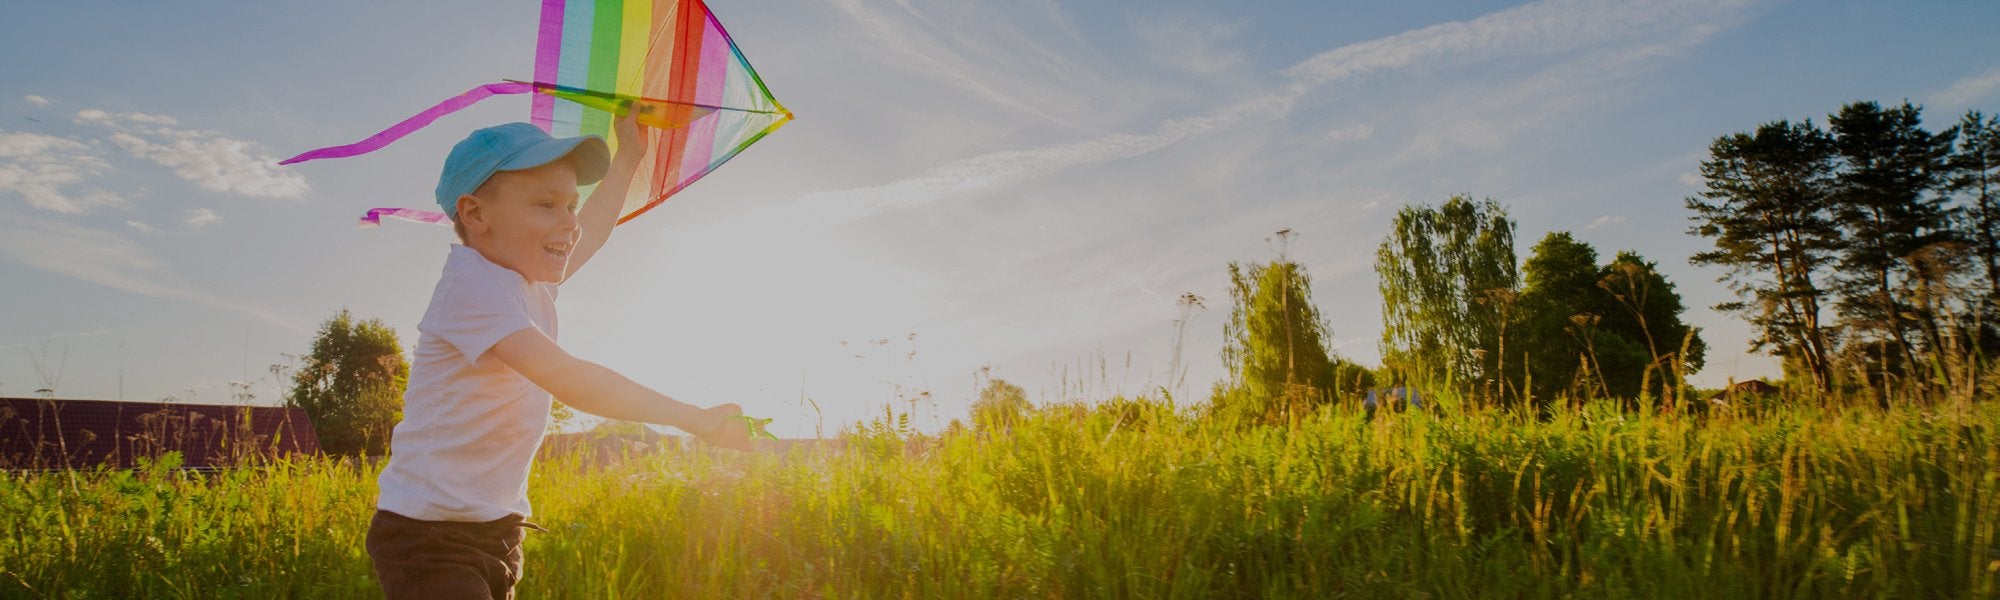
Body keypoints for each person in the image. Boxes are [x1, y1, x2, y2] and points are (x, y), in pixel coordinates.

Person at [365, 115, 754, 599]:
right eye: (547, 205)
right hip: (428, 536)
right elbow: (569, 378)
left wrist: (629, 155)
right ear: (476, 214)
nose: (570, 222)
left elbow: (590, 231)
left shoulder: (525, 283)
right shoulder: (471, 287)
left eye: (572, 204)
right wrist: (690, 417)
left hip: (498, 530)